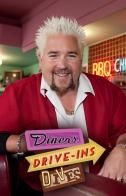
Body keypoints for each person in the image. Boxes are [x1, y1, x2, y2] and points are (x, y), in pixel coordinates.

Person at [0, 16, 126, 195]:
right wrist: (27, 142)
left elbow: (123, 130)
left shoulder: (109, 91)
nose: (62, 65)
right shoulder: (17, 93)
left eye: (71, 55)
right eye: (54, 55)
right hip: (38, 190)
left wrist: (122, 149)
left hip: (97, 188)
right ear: (40, 58)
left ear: (81, 57)